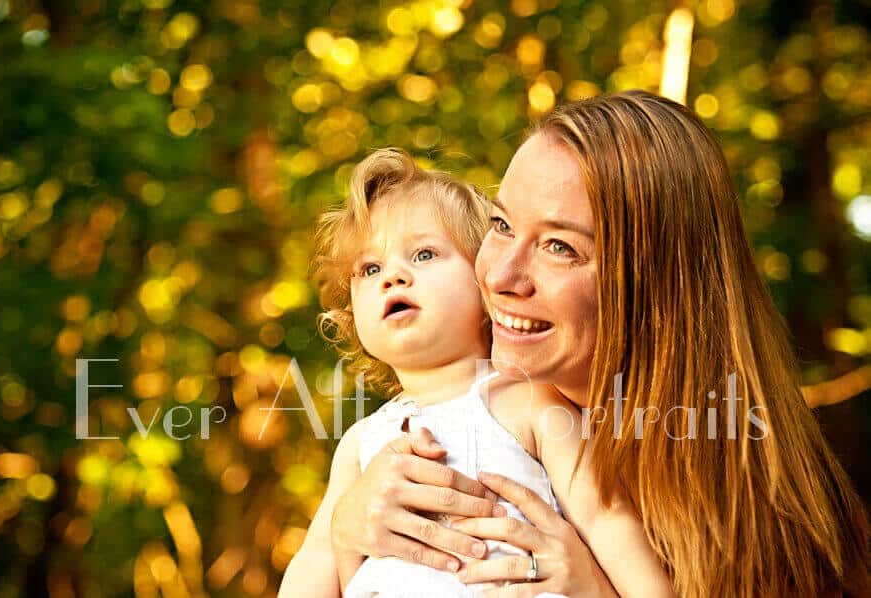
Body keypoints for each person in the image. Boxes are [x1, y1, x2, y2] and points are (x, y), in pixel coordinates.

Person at [326, 91, 871, 597]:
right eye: (502, 224)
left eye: (560, 247)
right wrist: (346, 534)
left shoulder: (753, 507)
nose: (500, 276)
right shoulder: (387, 439)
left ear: (654, 285)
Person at [278, 147, 675, 597]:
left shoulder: (527, 401)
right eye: (370, 268)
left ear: (484, 282)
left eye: (424, 255)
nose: (393, 277)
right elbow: (320, 557)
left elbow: (606, 517)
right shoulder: (361, 443)